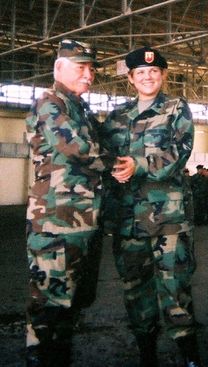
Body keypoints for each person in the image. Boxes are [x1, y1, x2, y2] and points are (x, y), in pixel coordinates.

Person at [101, 46, 201, 367]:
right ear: (131, 78)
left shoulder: (175, 108)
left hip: (167, 220)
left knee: (175, 288)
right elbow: (101, 158)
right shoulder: (116, 117)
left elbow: (180, 152)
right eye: (140, 73)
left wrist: (139, 165)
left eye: (154, 72)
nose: (147, 77)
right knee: (135, 290)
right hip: (127, 221)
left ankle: (189, 355)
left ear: (163, 75)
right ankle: (147, 353)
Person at [25, 39, 113, 367]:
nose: (89, 75)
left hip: (80, 223)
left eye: (91, 69)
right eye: (81, 67)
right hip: (55, 224)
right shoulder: (49, 103)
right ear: (59, 68)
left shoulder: (79, 107)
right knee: (49, 306)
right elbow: (76, 147)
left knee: (70, 306)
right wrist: (119, 163)